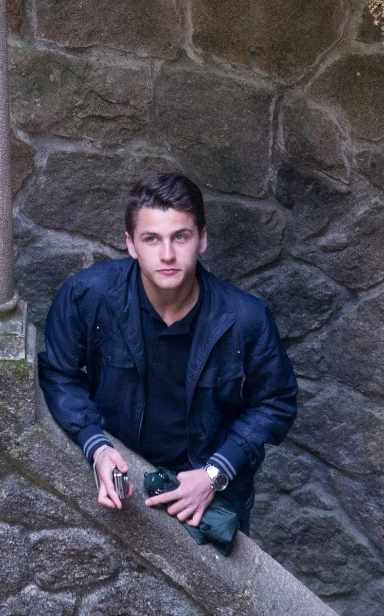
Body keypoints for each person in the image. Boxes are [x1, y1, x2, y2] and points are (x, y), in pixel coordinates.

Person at [36, 172, 298, 537]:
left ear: (202, 239)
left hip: (206, 495)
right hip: (121, 480)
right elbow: (58, 373)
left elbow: (276, 402)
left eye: (180, 236)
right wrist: (95, 444)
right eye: (151, 239)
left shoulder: (246, 318)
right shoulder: (86, 297)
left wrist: (215, 473)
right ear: (131, 244)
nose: (167, 254)